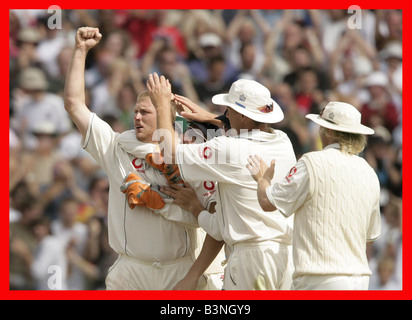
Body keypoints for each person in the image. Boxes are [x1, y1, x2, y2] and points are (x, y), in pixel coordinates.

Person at [63, 27, 220, 290]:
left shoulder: (190, 154)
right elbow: (73, 104)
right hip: (131, 269)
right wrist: (80, 51)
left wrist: (174, 202)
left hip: (179, 268)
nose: (136, 117)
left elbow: (212, 220)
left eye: (145, 112)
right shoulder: (116, 146)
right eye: (135, 111)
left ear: (165, 116)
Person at [148, 73, 296, 290]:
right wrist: (211, 118)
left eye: (230, 111)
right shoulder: (284, 141)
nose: (225, 115)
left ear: (243, 117)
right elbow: (249, 130)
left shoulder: (228, 149)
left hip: (251, 259)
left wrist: (161, 104)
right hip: (286, 256)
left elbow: (169, 153)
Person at [247, 101, 381, 290]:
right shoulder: (370, 173)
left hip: (319, 278)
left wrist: (262, 180)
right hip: (359, 280)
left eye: (321, 126)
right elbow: (371, 235)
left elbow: (267, 201)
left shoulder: (312, 162)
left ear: (330, 132)